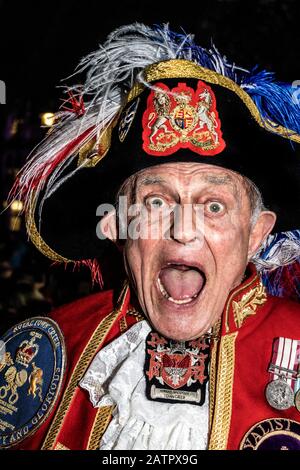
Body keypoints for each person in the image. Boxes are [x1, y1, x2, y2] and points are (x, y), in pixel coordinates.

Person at [1, 23, 300, 451]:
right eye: (156, 204)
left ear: (255, 233)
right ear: (120, 228)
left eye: (213, 206)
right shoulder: (43, 353)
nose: (182, 230)